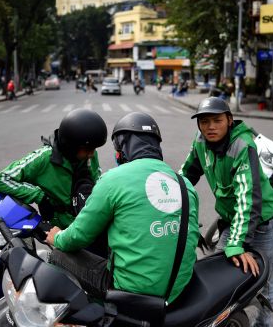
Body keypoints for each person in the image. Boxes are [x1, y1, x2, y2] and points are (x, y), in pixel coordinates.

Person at [46, 112, 199, 305]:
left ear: (123, 147)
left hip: (129, 291)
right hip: (177, 290)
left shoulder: (113, 179)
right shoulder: (184, 183)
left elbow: (78, 236)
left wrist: (57, 237)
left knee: (58, 254)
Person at [180, 97, 273, 327]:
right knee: (219, 280)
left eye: (217, 120)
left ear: (229, 120)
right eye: (205, 122)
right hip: (232, 221)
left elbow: (248, 199)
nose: (211, 127)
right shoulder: (200, 142)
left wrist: (237, 243)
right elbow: (184, 177)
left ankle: (264, 324)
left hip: (263, 222)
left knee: (264, 284)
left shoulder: (243, 145)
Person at [0, 109, 107, 239]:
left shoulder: (89, 156)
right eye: (87, 150)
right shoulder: (44, 158)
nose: (92, 154)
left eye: (94, 149)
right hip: (64, 232)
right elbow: (1, 179)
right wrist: (39, 196)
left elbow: (98, 182)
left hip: (90, 222)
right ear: (71, 146)